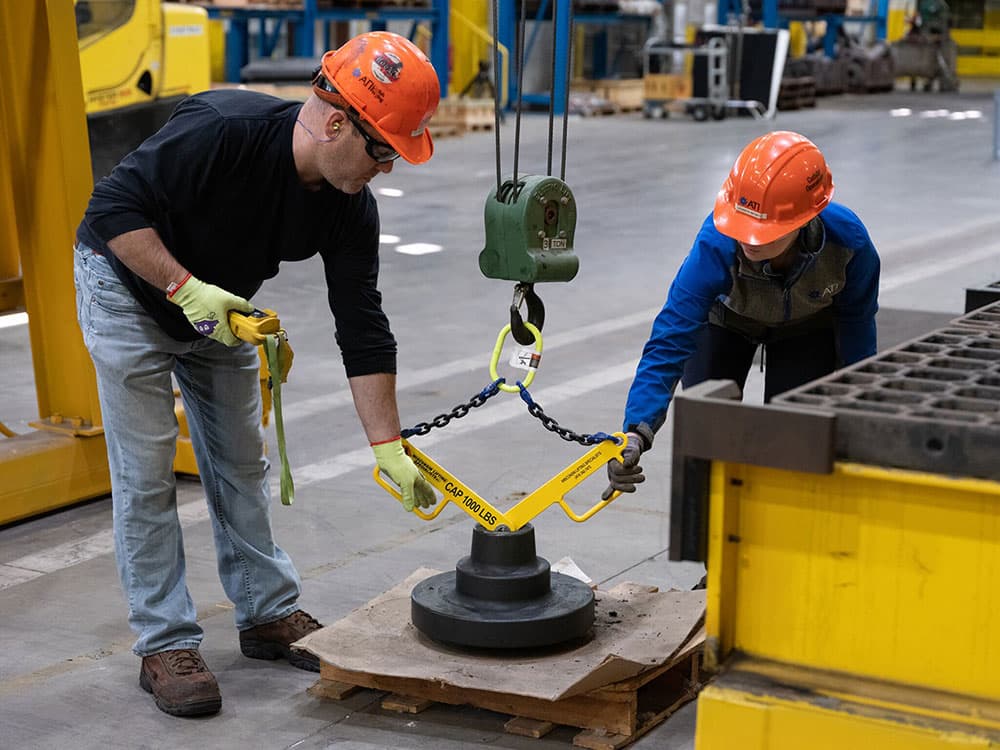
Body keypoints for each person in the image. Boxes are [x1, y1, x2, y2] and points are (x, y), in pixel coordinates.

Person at [73, 31, 439, 718]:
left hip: (218, 307)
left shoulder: (347, 205)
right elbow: (110, 212)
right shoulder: (222, 131)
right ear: (337, 124)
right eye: (384, 149)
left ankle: (266, 612)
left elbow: (362, 323)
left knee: (242, 463)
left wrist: (388, 444)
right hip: (129, 284)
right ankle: (165, 642)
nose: (388, 167)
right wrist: (183, 289)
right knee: (147, 474)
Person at [605, 131, 880, 498]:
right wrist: (635, 432)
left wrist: (862, 419)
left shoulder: (849, 245)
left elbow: (857, 335)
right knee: (709, 438)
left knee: (793, 446)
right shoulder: (717, 244)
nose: (748, 240)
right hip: (725, 324)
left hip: (806, 330)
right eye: (743, 226)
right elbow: (670, 340)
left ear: (805, 219)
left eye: (764, 232)